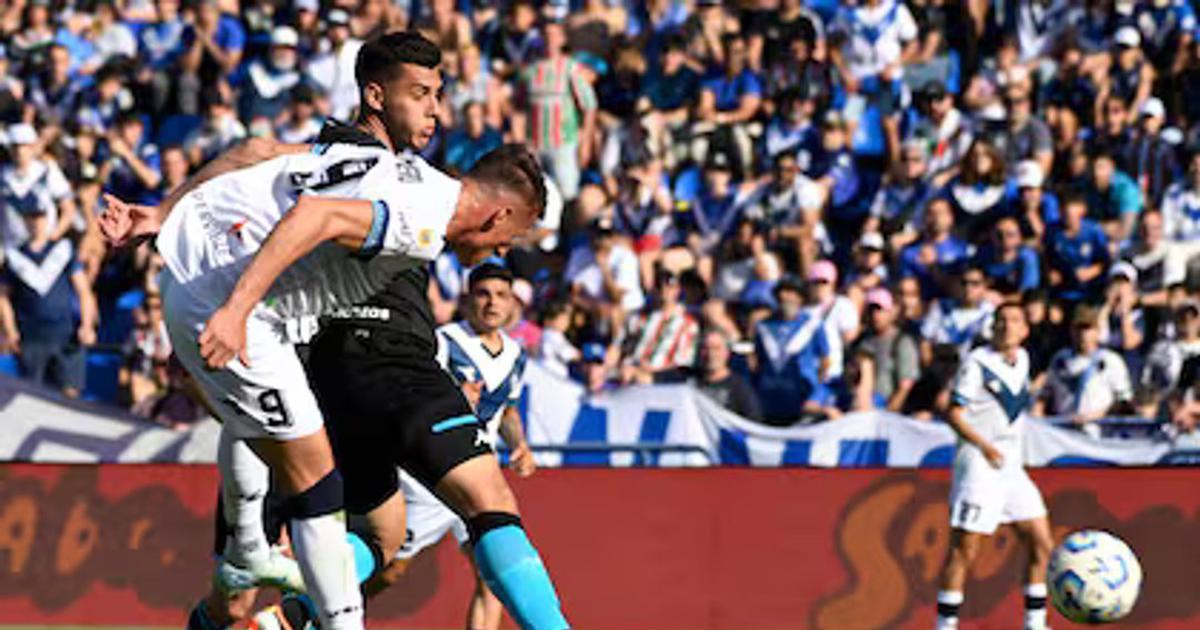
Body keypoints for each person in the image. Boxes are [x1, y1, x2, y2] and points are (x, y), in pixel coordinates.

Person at [102, 35, 551, 630]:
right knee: (330, 492)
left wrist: (163, 213)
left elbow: (254, 150)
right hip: (263, 326)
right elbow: (317, 215)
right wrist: (236, 309)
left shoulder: (355, 155)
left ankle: (249, 560)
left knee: (337, 545)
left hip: (251, 320)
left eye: (438, 95)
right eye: (421, 94)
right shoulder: (415, 206)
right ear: (376, 95)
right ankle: (278, 579)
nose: (435, 111)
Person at [935, 302, 1053, 630]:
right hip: (979, 463)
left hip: (1011, 466)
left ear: (1024, 330)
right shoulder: (976, 363)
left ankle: (1035, 623)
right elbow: (954, 413)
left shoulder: (1023, 359)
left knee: (1040, 541)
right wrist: (984, 446)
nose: (1006, 326)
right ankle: (945, 626)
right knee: (964, 549)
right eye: (1000, 320)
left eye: (1014, 320)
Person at [0, 200, 97, 398]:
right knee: (33, 396)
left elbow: (84, 292)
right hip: (31, 336)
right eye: (31, 217)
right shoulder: (15, 257)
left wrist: (87, 325)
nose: (36, 222)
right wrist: (10, 330)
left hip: (65, 333)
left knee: (70, 395)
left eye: (41, 217)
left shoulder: (64, 251)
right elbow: (3, 297)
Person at [1038, 306, 1135, 435]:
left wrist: (1095, 416)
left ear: (1098, 331)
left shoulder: (1110, 360)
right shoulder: (1060, 360)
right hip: (1063, 433)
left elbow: (1123, 400)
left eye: (1088, 329)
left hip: (1097, 433)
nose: (1083, 334)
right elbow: (1045, 395)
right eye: (1078, 328)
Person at [856, 288, 919, 412]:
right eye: (871, 310)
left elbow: (906, 386)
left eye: (880, 310)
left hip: (887, 408)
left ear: (890, 312)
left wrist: (888, 414)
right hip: (862, 407)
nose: (875, 315)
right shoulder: (862, 342)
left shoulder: (902, 342)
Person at [693, 328, 762, 421]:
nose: (711, 354)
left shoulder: (739, 388)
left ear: (727, 352)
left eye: (716, 348)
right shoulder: (686, 381)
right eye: (705, 348)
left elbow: (753, 422)